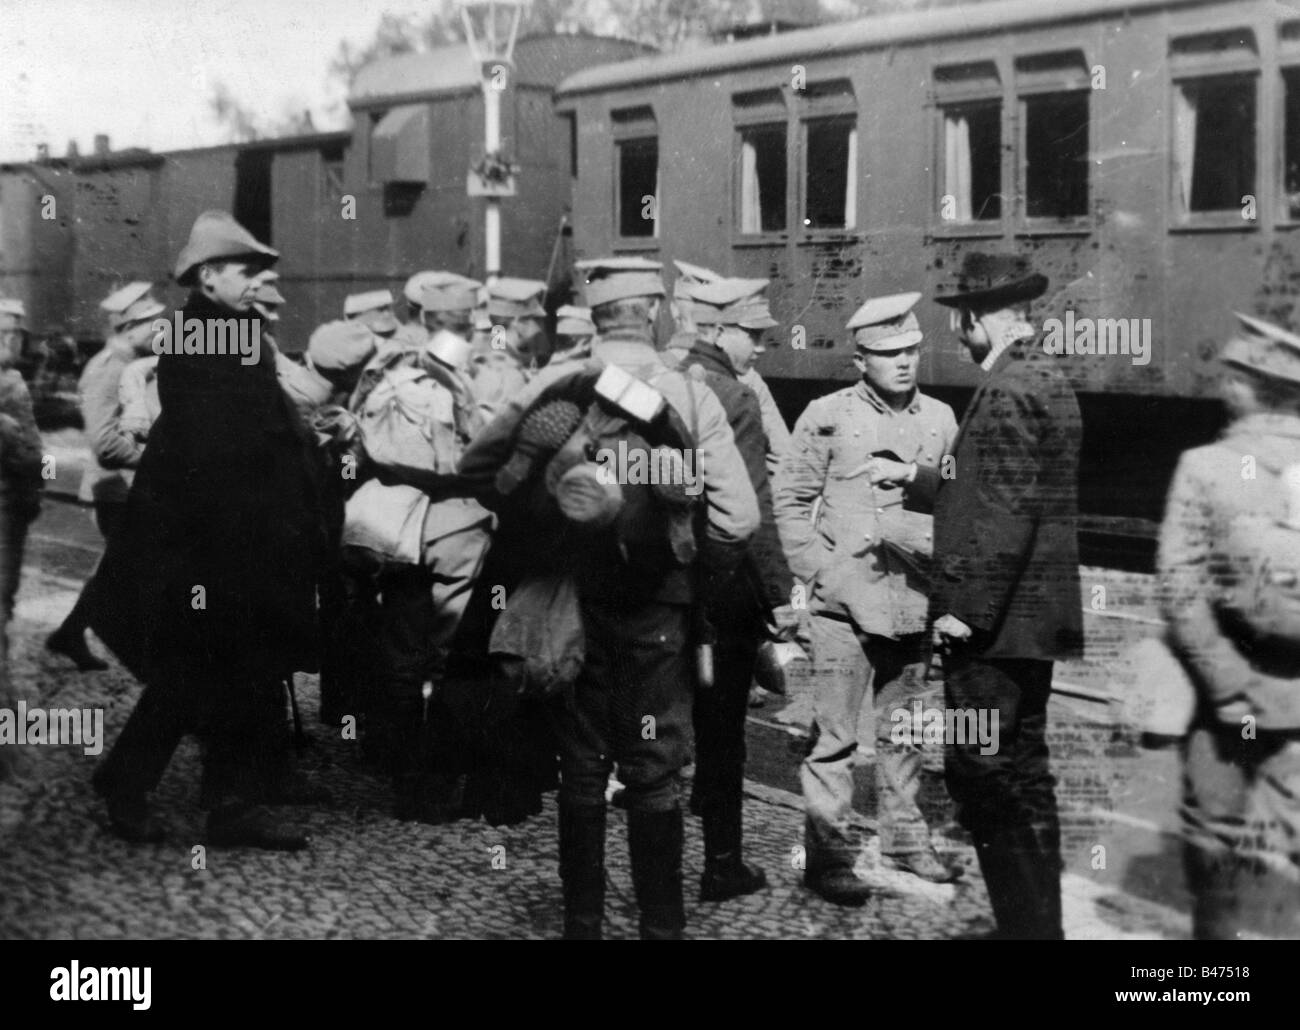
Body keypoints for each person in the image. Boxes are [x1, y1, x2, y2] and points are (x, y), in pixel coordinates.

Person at [460, 256, 760, 939]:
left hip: (570, 601)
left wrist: (540, 526)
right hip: (660, 605)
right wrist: (694, 582)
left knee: (583, 764)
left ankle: (584, 925)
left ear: (594, 317)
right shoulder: (690, 392)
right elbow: (739, 520)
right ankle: (661, 927)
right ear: (655, 312)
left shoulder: (552, 381)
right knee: (655, 769)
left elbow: (477, 470)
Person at [87, 210, 326, 850]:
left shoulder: (224, 329)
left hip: (228, 533)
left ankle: (232, 794)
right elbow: (218, 444)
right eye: (246, 271)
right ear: (209, 274)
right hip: (211, 539)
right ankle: (168, 791)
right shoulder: (202, 334)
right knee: (203, 672)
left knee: (227, 669)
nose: (256, 283)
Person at [773, 291, 962, 905]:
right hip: (840, 609)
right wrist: (816, 571)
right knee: (833, 740)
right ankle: (827, 856)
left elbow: (959, 505)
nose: (904, 362)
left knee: (905, 733)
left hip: (911, 602)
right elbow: (790, 502)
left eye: (911, 350)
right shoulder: (824, 415)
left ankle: (906, 840)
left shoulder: (940, 418)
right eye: (889, 353)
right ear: (860, 360)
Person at [930, 252, 1082, 939]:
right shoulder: (1047, 378)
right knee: (1023, 771)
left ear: (976, 319)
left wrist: (966, 611)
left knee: (981, 774)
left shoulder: (1012, 388)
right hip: (1032, 624)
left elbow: (1007, 511)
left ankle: (1027, 931)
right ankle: (1036, 928)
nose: (960, 339)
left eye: (961, 324)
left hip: (995, 628)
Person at [1161, 312, 1300, 940]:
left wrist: (1224, 683)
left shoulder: (1204, 466)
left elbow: (1179, 588)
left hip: (1228, 702)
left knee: (1214, 840)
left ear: (1246, 386)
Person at [680, 277, 793, 901]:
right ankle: (722, 864)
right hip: (722, 591)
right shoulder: (734, 396)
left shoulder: (667, 382)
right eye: (753, 335)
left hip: (665, 584)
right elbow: (754, 510)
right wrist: (782, 594)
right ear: (720, 331)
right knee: (724, 733)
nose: (758, 350)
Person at [47, 283, 165, 671]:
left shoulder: (133, 365)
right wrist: (160, 459)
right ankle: (151, 666)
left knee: (118, 569)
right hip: (115, 491)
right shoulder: (108, 369)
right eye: (153, 324)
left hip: (129, 490)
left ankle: (70, 633)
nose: (161, 331)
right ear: (130, 327)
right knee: (131, 574)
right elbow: (104, 444)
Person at [0, 299, 44, 670]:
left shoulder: (13, 380)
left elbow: (35, 452)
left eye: (15, 331)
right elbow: (30, 453)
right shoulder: (9, 384)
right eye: (5, 331)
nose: (12, 339)